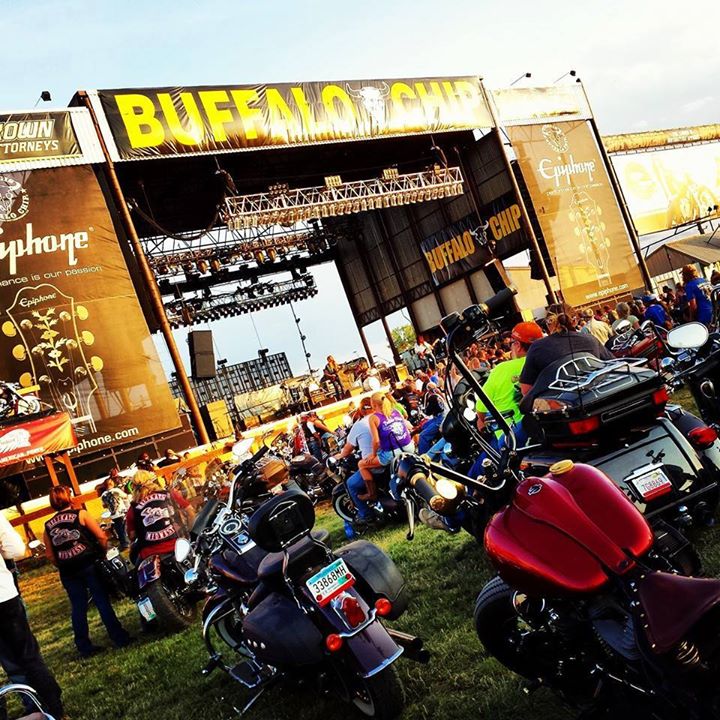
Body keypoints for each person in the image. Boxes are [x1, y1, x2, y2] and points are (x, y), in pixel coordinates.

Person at [43, 486, 131, 659]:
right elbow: (101, 536)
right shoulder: (81, 514)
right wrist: (101, 553)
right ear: (68, 497)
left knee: (78, 607)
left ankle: (83, 646)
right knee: (102, 601)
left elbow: (50, 555)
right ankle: (119, 637)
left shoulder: (47, 526)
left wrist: (62, 565)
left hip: (68, 571)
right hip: (89, 564)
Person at [0, 513, 63, 720]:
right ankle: (52, 709)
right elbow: (16, 550)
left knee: (9, 660)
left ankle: (32, 705)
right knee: (28, 655)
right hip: (4, 595)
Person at [475, 321, 544, 452]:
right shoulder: (545, 360)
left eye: (511, 344)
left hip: (513, 438)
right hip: (546, 425)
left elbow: (481, 410)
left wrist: (481, 421)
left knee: (478, 468)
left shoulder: (501, 369)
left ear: (517, 345)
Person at [520, 310, 614, 396]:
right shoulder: (590, 339)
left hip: (562, 404)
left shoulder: (537, 348)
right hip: (599, 395)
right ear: (574, 321)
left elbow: (526, 391)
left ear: (548, 325)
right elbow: (613, 365)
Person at [126, 470, 195, 564]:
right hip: (178, 545)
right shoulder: (170, 494)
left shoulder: (133, 509)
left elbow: (132, 535)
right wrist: (190, 531)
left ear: (133, 487)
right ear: (151, 481)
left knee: (137, 570)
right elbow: (190, 512)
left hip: (151, 555)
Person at [358, 392, 415, 500]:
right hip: (409, 447)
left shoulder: (373, 418)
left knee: (361, 464)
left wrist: (373, 455)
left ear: (373, 405)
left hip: (392, 452)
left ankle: (371, 494)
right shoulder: (396, 411)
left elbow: (376, 441)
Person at [334, 399, 376, 524]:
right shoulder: (383, 416)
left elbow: (347, 449)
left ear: (361, 410)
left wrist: (339, 456)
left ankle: (366, 514)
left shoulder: (359, 425)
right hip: (395, 454)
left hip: (375, 461)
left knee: (351, 483)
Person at [100, 469, 130, 550]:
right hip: (121, 512)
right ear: (112, 484)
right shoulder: (116, 490)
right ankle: (126, 543)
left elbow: (104, 506)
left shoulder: (103, 495)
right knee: (125, 528)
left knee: (119, 529)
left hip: (113, 515)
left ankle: (123, 543)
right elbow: (125, 496)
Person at [417, 382, 446, 454]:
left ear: (428, 390)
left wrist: (423, 410)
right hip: (440, 417)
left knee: (422, 436)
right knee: (424, 426)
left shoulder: (432, 397)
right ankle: (430, 444)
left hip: (440, 419)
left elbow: (428, 412)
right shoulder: (439, 395)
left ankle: (424, 455)